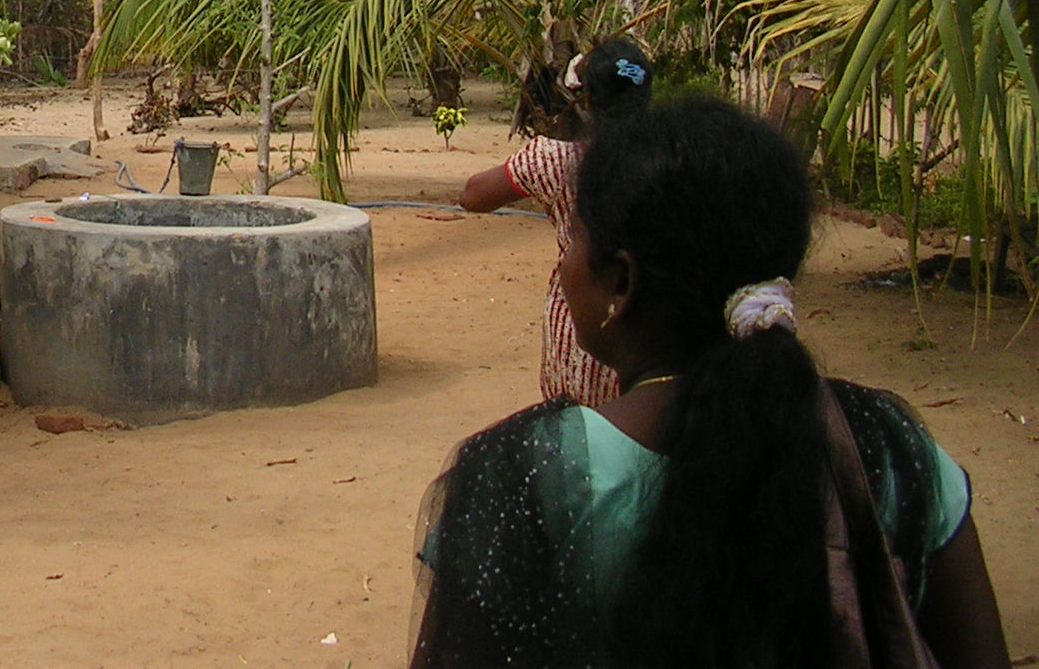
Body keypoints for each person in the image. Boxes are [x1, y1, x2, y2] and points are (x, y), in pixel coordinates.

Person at [412, 96, 1011, 669]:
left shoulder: (528, 476)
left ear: (621, 281)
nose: (565, 264)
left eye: (577, 240)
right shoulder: (894, 451)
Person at [458, 38, 652, 405]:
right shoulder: (675, 159)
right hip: (653, 321)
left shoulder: (556, 160)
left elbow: (473, 195)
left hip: (578, 324)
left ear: (588, 99)